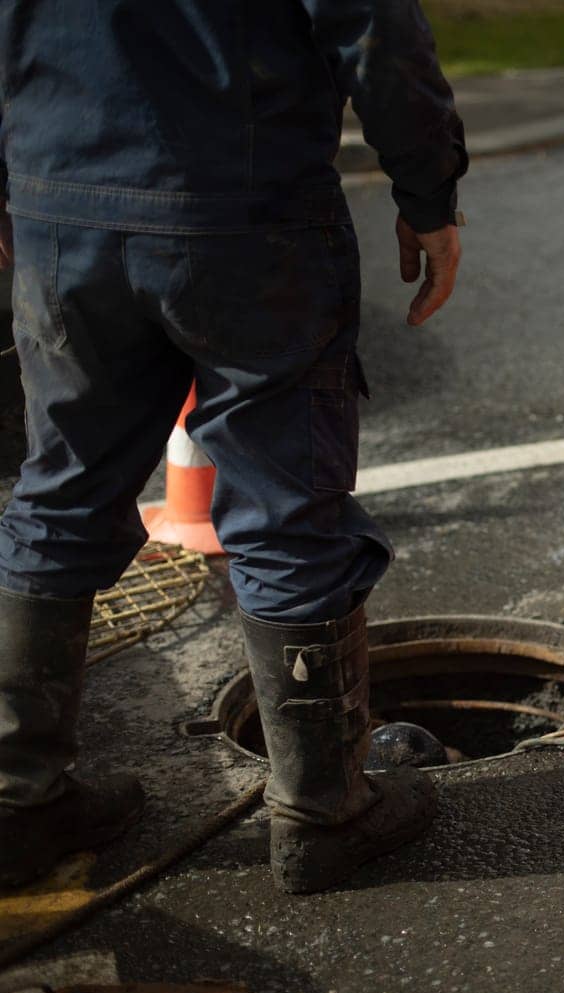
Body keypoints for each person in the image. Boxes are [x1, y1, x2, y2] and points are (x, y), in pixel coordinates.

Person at [0, 1, 467, 895]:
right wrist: (429, 192)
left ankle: (20, 799)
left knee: (58, 493)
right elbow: (374, 25)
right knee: (285, 503)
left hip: (62, 206)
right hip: (244, 212)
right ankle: (325, 812)